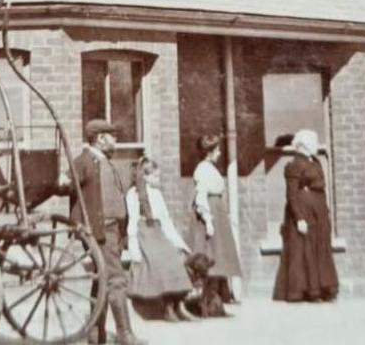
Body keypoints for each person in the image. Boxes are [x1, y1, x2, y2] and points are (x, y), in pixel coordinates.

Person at [71, 119, 144, 345]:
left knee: (102, 279)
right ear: (100, 138)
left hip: (113, 230)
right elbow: (67, 182)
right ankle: (125, 335)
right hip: (100, 231)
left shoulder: (104, 161)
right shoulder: (84, 160)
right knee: (116, 280)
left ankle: (95, 335)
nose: (116, 139)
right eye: (112, 136)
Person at [271, 128, 339, 302]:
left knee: (320, 247)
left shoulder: (315, 161)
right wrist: (299, 218)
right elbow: (291, 194)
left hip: (318, 211)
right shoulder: (294, 165)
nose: (316, 146)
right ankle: (309, 290)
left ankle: (323, 287)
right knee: (305, 250)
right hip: (304, 212)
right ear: (305, 145)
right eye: (314, 142)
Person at [126, 156, 196, 321]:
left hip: (158, 232)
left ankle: (179, 305)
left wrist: (180, 244)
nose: (159, 180)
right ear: (145, 175)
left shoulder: (157, 194)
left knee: (175, 257)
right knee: (161, 261)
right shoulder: (133, 194)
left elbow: (166, 221)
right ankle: (167, 308)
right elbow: (133, 220)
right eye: (155, 176)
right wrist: (133, 247)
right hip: (144, 233)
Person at [187, 134, 241, 308]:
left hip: (217, 211)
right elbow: (201, 197)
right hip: (210, 212)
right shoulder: (202, 169)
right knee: (212, 252)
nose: (219, 153)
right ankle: (208, 299)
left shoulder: (210, 168)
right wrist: (208, 220)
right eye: (216, 150)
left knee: (220, 252)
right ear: (209, 152)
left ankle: (218, 295)